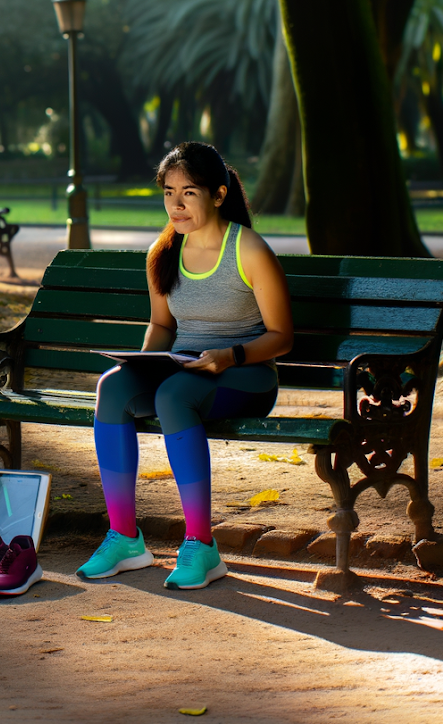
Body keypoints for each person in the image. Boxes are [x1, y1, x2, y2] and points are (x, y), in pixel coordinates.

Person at [77, 142, 293, 589]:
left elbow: (281, 337)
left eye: (189, 192)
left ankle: (201, 546)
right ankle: (123, 537)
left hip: (246, 374)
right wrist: (144, 363)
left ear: (218, 194)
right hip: (184, 368)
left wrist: (228, 356)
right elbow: (161, 325)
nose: (176, 204)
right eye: (168, 192)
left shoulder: (248, 249)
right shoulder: (164, 251)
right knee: (113, 387)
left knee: (174, 395)